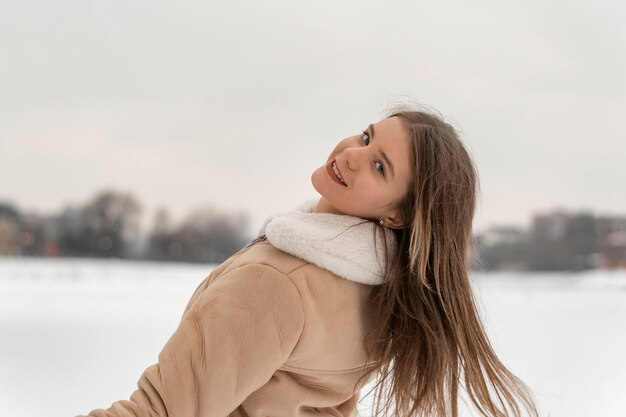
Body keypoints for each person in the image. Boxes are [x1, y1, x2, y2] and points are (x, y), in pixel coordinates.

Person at [80, 107, 538, 417]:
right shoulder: (375, 288)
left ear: (398, 214)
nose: (352, 156)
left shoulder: (277, 283)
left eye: (380, 167)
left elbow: (161, 413)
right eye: (366, 136)